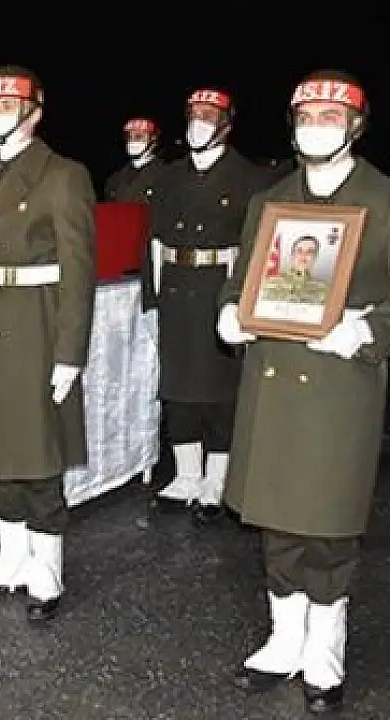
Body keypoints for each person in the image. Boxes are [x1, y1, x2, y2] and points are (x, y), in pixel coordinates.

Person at [216, 70, 390, 714]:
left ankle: (324, 649)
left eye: (331, 116)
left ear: (356, 126)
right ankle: (283, 639)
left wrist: (365, 330)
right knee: (275, 520)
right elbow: (242, 279)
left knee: (326, 528)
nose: (317, 126)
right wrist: (230, 310)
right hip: (272, 385)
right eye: (307, 116)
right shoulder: (269, 202)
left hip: (337, 387)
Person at [0, 65, 97, 623]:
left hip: (33, 329)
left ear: (35, 112)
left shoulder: (62, 175)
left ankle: (46, 567)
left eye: (9, 105)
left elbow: (78, 272)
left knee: (37, 455)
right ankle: (10, 556)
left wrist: (69, 354)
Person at [143, 87, 269, 524]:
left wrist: (245, 305)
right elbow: (153, 239)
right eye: (194, 112)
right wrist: (152, 299)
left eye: (209, 114)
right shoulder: (169, 177)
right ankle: (185, 474)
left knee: (219, 390)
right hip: (176, 288)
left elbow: (255, 248)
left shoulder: (249, 178)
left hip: (219, 288)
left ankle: (217, 479)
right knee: (177, 387)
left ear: (227, 124)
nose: (199, 120)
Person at [104, 117, 166, 202]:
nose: (132, 141)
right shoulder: (115, 179)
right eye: (129, 137)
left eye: (139, 136)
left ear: (154, 140)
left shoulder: (166, 173)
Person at [257, 235, 330, 303]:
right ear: (292, 255)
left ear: (315, 257)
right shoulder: (268, 283)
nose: (304, 255)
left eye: (310, 252)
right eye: (299, 251)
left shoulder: (325, 289)